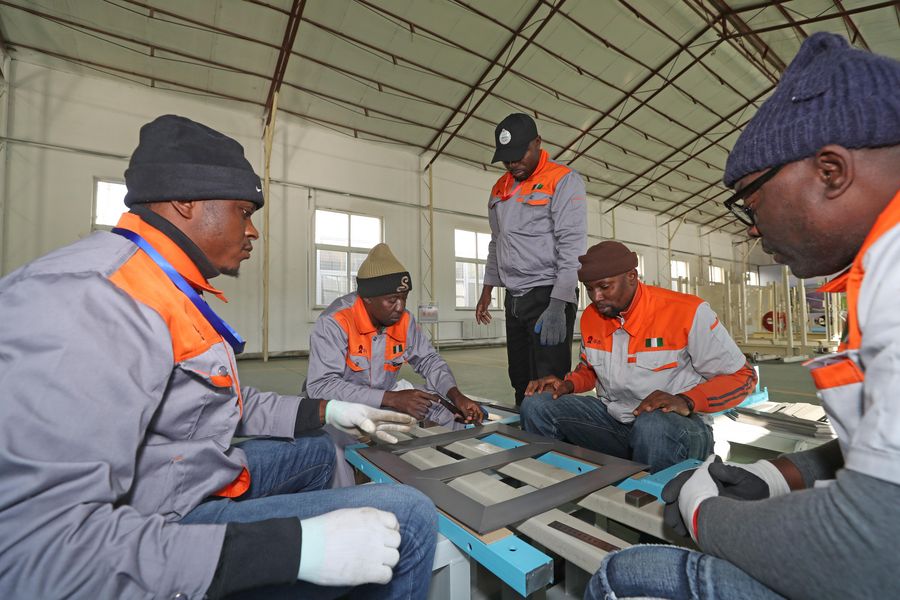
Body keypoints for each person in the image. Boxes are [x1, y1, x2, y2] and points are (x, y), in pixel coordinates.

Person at [0, 115, 438, 599]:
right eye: (243, 212)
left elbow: (218, 402)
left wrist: (329, 411)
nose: (253, 232)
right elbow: (38, 554)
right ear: (186, 202)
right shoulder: (91, 304)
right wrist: (291, 550)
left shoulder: (159, 284)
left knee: (319, 449)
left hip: (175, 478)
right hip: (155, 526)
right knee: (409, 517)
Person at [586, 33, 900, 600]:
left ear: (831, 171)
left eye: (752, 204)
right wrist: (778, 474)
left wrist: (703, 511)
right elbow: (881, 456)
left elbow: (867, 551)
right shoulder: (879, 270)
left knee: (622, 576)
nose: (753, 228)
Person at [520, 241, 756, 472]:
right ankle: (549, 485)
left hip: (679, 427)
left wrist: (687, 400)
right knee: (537, 404)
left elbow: (744, 376)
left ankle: (653, 496)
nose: (596, 297)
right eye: (589, 289)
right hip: (617, 421)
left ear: (632, 276)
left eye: (604, 287)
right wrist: (568, 384)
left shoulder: (686, 312)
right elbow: (590, 370)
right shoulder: (593, 316)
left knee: (652, 424)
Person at [307, 243, 484, 427]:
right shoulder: (335, 322)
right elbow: (322, 386)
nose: (400, 307)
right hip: (341, 405)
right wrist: (391, 399)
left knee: (447, 411)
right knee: (338, 439)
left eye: (404, 298)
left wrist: (455, 395)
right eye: (392, 300)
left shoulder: (404, 321)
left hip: (386, 394)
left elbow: (429, 360)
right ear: (367, 298)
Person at [475, 113, 587, 405]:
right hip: (514, 298)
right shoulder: (500, 188)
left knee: (548, 381)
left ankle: (552, 433)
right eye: (506, 159)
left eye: (519, 155)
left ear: (537, 143)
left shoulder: (562, 180)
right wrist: (487, 289)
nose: (513, 164)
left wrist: (558, 304)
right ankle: (524, 430)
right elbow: (497, 241)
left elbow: (572, 247)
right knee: (520, 378)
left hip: (547, 294)